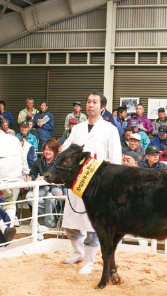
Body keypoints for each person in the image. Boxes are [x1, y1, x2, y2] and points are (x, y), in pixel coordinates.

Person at [62, 90, 122, 273]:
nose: (90, 105)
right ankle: (78, 252)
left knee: (92, 226)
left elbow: (116, 158)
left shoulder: (110, 129)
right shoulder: (77, 128)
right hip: (76, 182)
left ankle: (89, 261)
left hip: (97, 184)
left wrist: (113, 184)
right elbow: (66, 147)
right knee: (70, 223)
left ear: (102, 107)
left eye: (95, 102)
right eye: (88, 101)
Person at [25, 138, 64, 228]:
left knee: (50, 198)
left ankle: (50, 222)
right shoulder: (39, 162)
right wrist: (31, 178)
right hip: (42, 188)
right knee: (29, 196)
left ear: (55, 151)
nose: (47, 152)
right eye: (46, 149)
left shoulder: (59, 162)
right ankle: (50, 216)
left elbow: (59, 176)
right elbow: (33, 174)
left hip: (56, 187)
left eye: (50, 150)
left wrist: (44, 177)